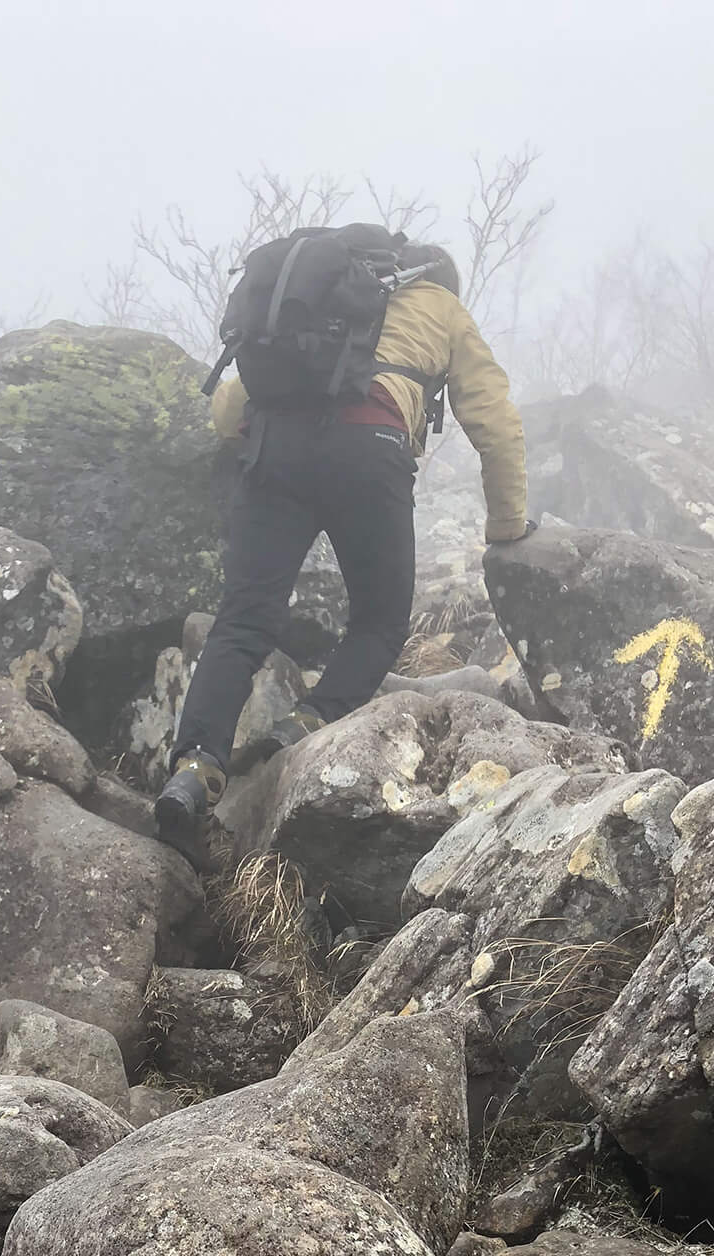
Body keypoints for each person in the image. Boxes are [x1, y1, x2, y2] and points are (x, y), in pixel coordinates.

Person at [155, 241, 531, 856]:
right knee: (379, 625)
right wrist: (507, 526)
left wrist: (275, 437)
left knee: (242, 622)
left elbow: (229, 408)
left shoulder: (316, 305)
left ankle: (192, 770)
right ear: (444, 282)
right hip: (369, 452)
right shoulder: (441, 308)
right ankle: (308, 722)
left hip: (275, 452)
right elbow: (496, 423)